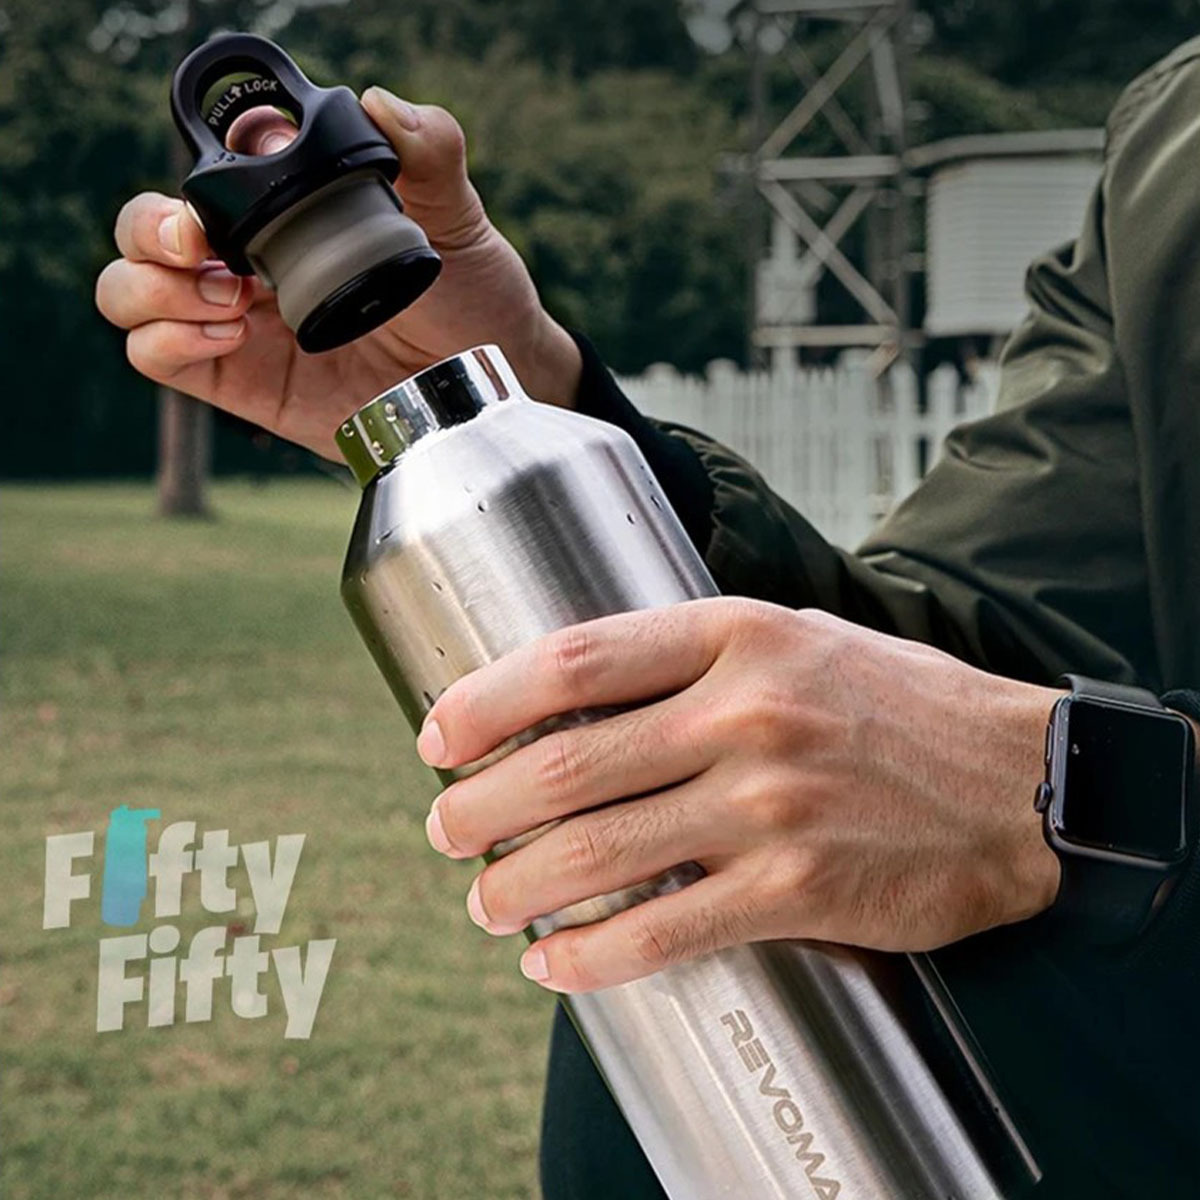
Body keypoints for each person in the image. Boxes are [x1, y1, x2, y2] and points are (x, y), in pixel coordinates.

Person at [96, 40, 1200, 1199]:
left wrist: (1090, 795)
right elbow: (982, 644)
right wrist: (516, 408)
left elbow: (1021, 757)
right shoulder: (1179, 137)